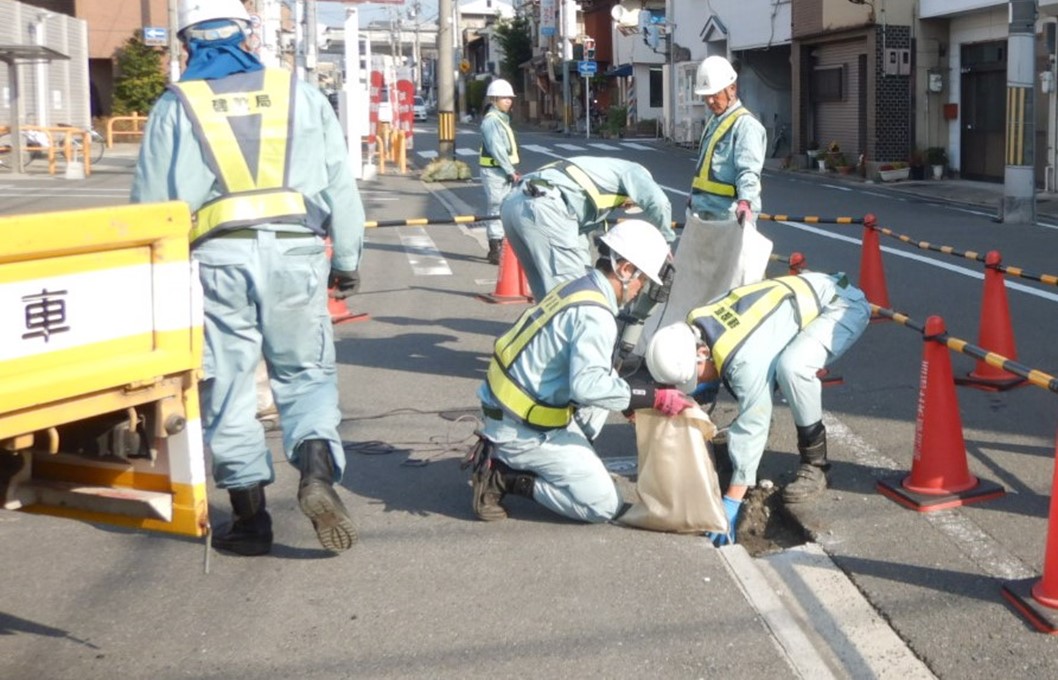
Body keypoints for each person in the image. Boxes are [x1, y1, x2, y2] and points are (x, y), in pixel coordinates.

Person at [130, 0, 364, 557]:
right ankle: (316, 476)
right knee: (306, 374)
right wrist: (347, 262)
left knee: (229, 384)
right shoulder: (300, 95)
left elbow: (149, 206)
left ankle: (251, 522)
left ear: (186, 45)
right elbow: (341, 188)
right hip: (295, 254)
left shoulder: (175, 106)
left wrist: (149, 283)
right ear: (250, 37)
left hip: (215, 262)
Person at [466, 220, 693, 524]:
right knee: (602, 506)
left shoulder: (578, 287)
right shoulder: (595, 315)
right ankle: (504, 476)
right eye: (642, 280)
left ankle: (549, 462)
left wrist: (629, 399)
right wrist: (652, 397)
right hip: (524, 429)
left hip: (509, 408)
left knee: (609, 395)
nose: (641, 291)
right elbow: (587, 387)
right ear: (625, 270)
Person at [645, 272, 870, 545]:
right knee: (751, 379)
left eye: (695, 375)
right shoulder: (698, 322)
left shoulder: (745, 361)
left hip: (842, 305)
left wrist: (731, 501)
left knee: (793, 368)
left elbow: (754, 423)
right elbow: (719, 362)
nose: (696, 382)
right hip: (812, 290)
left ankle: (816, 464)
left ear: (701, 353)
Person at [501, 156, 674, 301]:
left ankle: (549, 336)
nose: (626, 207)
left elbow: (578, 239)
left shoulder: (596, 175)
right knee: (574, 295)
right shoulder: (635, 172)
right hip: (545, 206)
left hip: (514, 203)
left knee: (546, 294)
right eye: (632, 203)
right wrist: (664, 245)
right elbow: (659, 203)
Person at [688, 55, 767, 224]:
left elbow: (749, 170)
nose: (709, 101)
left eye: (714, 94)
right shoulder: (714, 121)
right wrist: (694, 196)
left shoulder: (746, 125)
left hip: (729, 216)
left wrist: (745, 202)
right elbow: (704, 169)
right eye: (706, 95)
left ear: (732, 89)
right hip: (703, 213)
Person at [478, 79, 520, 264]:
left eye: (510, 98)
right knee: (496, 208)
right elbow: (497, 149)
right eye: (504, 98)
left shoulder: (501, 119)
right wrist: (510, 171)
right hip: (495, 172)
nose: (508, 101)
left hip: (502, 170)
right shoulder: (492, 121)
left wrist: (510, 170)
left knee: (504, 208)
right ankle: (495, 249)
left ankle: (501, 245)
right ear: (494, 99)